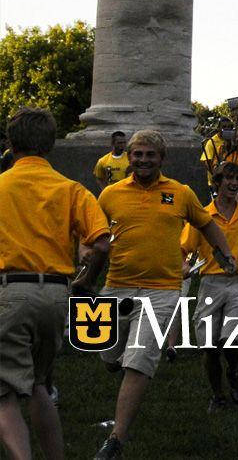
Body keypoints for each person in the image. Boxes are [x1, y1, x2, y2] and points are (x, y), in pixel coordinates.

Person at [91, 129, 234, 460]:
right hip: (116, 286)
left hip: (162, 290)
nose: (142, 160)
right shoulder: (110, 194)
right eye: (137, 154)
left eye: (149, 155)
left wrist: (223, 252)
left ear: (162, 159)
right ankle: (113, 364)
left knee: (139, 360)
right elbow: (94, 238)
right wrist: (85, 269)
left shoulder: (180, 193)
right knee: (110, 358)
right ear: (129, 156)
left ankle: (116, 440)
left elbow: (208, 224)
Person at [0, 107, 110, 460]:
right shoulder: (71, 189)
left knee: (3, 393)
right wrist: (86, 280)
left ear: (9, 143)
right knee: (40, 385)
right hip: (55, 294)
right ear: (50, 145)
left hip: (9, 291)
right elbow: (101, 241)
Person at [181, 160, 238, 411]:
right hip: (210, 283)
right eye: (229, 178)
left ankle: (235, 376)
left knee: (232, 339)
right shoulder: (202, 216)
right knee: (209, 346)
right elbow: (184, 249)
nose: (234, 183)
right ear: (217, 183)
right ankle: (218, 394)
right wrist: (183, 265)